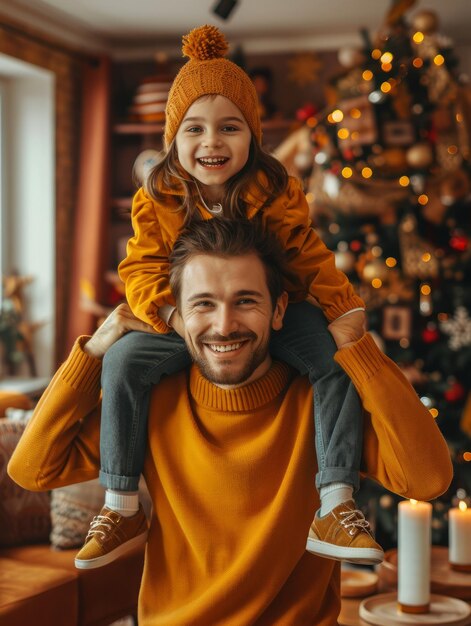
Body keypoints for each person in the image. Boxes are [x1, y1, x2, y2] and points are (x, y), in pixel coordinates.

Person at [9, 218, 452, 626]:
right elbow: (31, 468)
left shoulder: (322, 406)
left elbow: (428, 478)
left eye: (245, 301)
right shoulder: (152, 400)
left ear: (279, 311)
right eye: (203, 304)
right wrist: (91, 354)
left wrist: (359, 350)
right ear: (175, 317)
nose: (224, 325)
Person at [88, 23, 373, 571]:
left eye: (229, 127)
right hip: (184, 321)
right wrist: (168, 312)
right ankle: (120, 502)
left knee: (337, 363)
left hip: (274, 315)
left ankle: (336, 500)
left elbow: (306, 253)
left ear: (253, 136)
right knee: (122, 361)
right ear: (174, 138)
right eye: (194, 129)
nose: (212, 142)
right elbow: (142, 265)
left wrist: (346, 308)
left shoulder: (274, 188)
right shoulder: (159, 195)